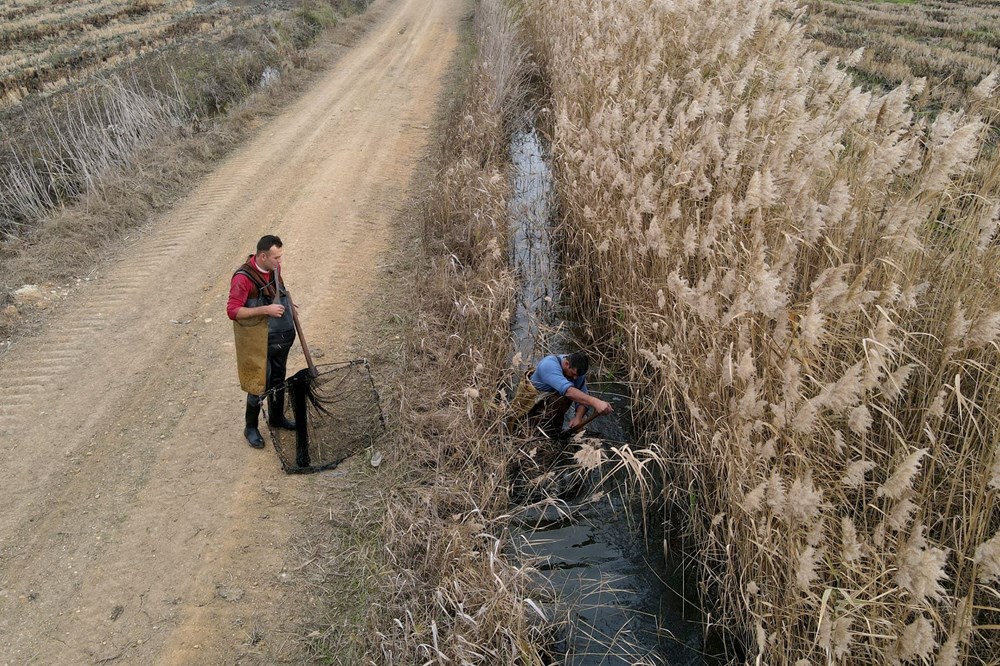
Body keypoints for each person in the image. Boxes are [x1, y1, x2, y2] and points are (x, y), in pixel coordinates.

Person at [227, 235, 298, 448]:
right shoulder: (243, 278)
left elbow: (278, 291)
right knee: (258, 382)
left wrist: (289, 304)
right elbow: (233, 311)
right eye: (276, 257)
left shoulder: (274, 269)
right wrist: (266, 310)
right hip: (255, 340)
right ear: (263, 256)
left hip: (278, 337)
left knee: (278, 378)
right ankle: (250, 428)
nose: (280, 262)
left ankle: (277, 418)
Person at [511, 351, 613, 437]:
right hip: (532, 406)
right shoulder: (548, 365)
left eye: (577, 376)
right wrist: (596, 402)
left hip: (551, 406)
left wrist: (578, 417)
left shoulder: (576, 371)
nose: (575, 378)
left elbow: (583, 394)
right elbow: (568, 391)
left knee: (573, 395)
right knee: (529, 433)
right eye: (573, 374)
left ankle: (554, 429)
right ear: (567, 364)